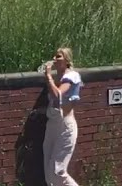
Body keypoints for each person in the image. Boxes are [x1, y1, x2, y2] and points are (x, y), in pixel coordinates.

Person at [42, 46, 83, 186]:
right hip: (52, 124)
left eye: (59, 56)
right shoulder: (58, 78)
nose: (55, 59)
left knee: (57, 171)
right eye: (55, 56)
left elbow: (58, 95)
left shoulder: (72, 75)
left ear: (67, 60)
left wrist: (48, 76)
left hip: (65, 125)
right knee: (48, 172)